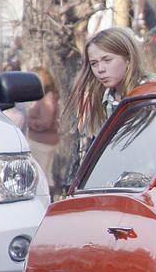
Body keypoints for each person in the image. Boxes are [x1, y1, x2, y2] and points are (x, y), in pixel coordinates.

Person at [61, 27, 149, 189]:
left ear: (128, 58)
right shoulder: (105, 101)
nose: (100, 69)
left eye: (107, 60)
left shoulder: (153, 95)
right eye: (94, 63)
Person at [26, 67, 60, 195]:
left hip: (42, 142)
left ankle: (45, 200)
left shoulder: (47, 98)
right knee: (46, 174)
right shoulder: (46, 97)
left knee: (41, 175)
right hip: (44, 141)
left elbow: (46, 122)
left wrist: (30, 122)